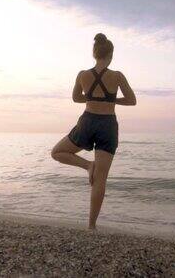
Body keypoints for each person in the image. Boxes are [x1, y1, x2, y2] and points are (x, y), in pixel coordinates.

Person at [51, 33, 137, 230]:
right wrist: (109, 100)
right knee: (101, 178)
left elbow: (76, 98)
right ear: (111, 54)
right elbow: (132, 101)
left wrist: (94, 99)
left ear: (94, 53)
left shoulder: (83, 75)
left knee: (57, 152)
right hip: (108, 125)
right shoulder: (117, 76)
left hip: (88, 121)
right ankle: (91, 226)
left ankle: (87, 165)